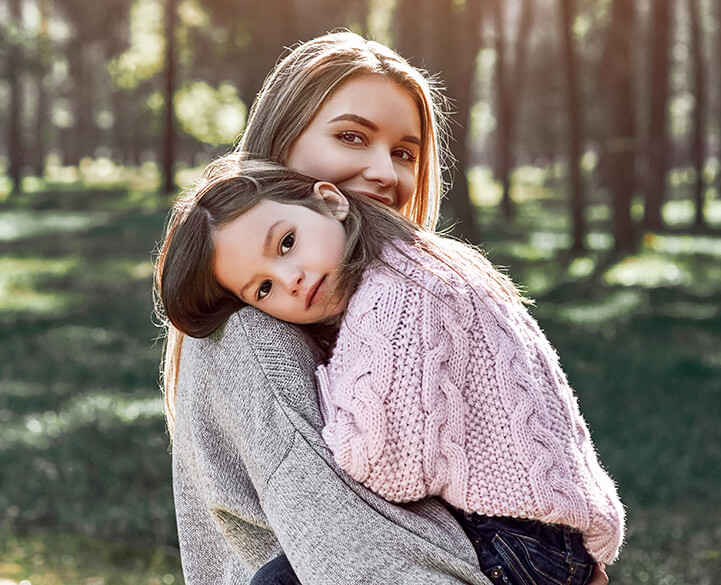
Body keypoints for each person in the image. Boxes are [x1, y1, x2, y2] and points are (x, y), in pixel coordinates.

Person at [157, 158, 625, 585]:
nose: (291, 279)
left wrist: (327, 386)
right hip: (549, 536)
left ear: (329, 201)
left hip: (516, 539)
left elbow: (383, 468)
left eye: (286, 242)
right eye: (262, 288)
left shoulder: (392, 299)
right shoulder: (415, 262)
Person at [159, 31, 500, 585]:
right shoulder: (252, 335)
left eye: (404, 153)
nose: (387, 173)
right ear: (281, 144)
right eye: (351, 136)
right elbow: (357, 554)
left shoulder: (390, 311)